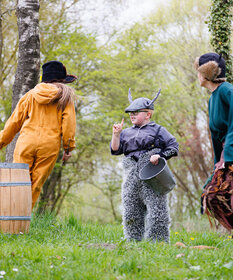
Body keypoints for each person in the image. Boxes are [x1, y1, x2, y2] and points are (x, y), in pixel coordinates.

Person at [0, 61, 77, 209]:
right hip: (49, 145)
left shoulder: (30, 95)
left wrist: (1, 142)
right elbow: (69, 125)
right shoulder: (65, 97)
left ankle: (12, 215)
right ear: (61, 80)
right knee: (36, 183)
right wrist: (68, 148)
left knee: (19, 179)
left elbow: (13, 123)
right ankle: (24, 218)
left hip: (26, 142)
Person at [110, 89, 179, 242]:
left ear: (148, 114)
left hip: (152, 176)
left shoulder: (158, 130)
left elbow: (173, 147)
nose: (132, 115)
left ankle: (158, 242)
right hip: (130, 176)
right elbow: (115, 150)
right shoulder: (126, 132)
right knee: (131, 211)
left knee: (157, 210)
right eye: (130, 112)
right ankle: (132, 242)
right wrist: (116, 134)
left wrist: (160, 155)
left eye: (136, 112)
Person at [194, 52, 233, 230]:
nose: (197, 75)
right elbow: (216, 136)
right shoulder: (212, 99)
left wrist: (228, 155)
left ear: (206, 73)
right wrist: (217, 162)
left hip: (231, 153)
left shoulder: (227, 90)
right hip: (225, 154)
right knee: (212, 195)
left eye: (198, 71)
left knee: (225, 196)